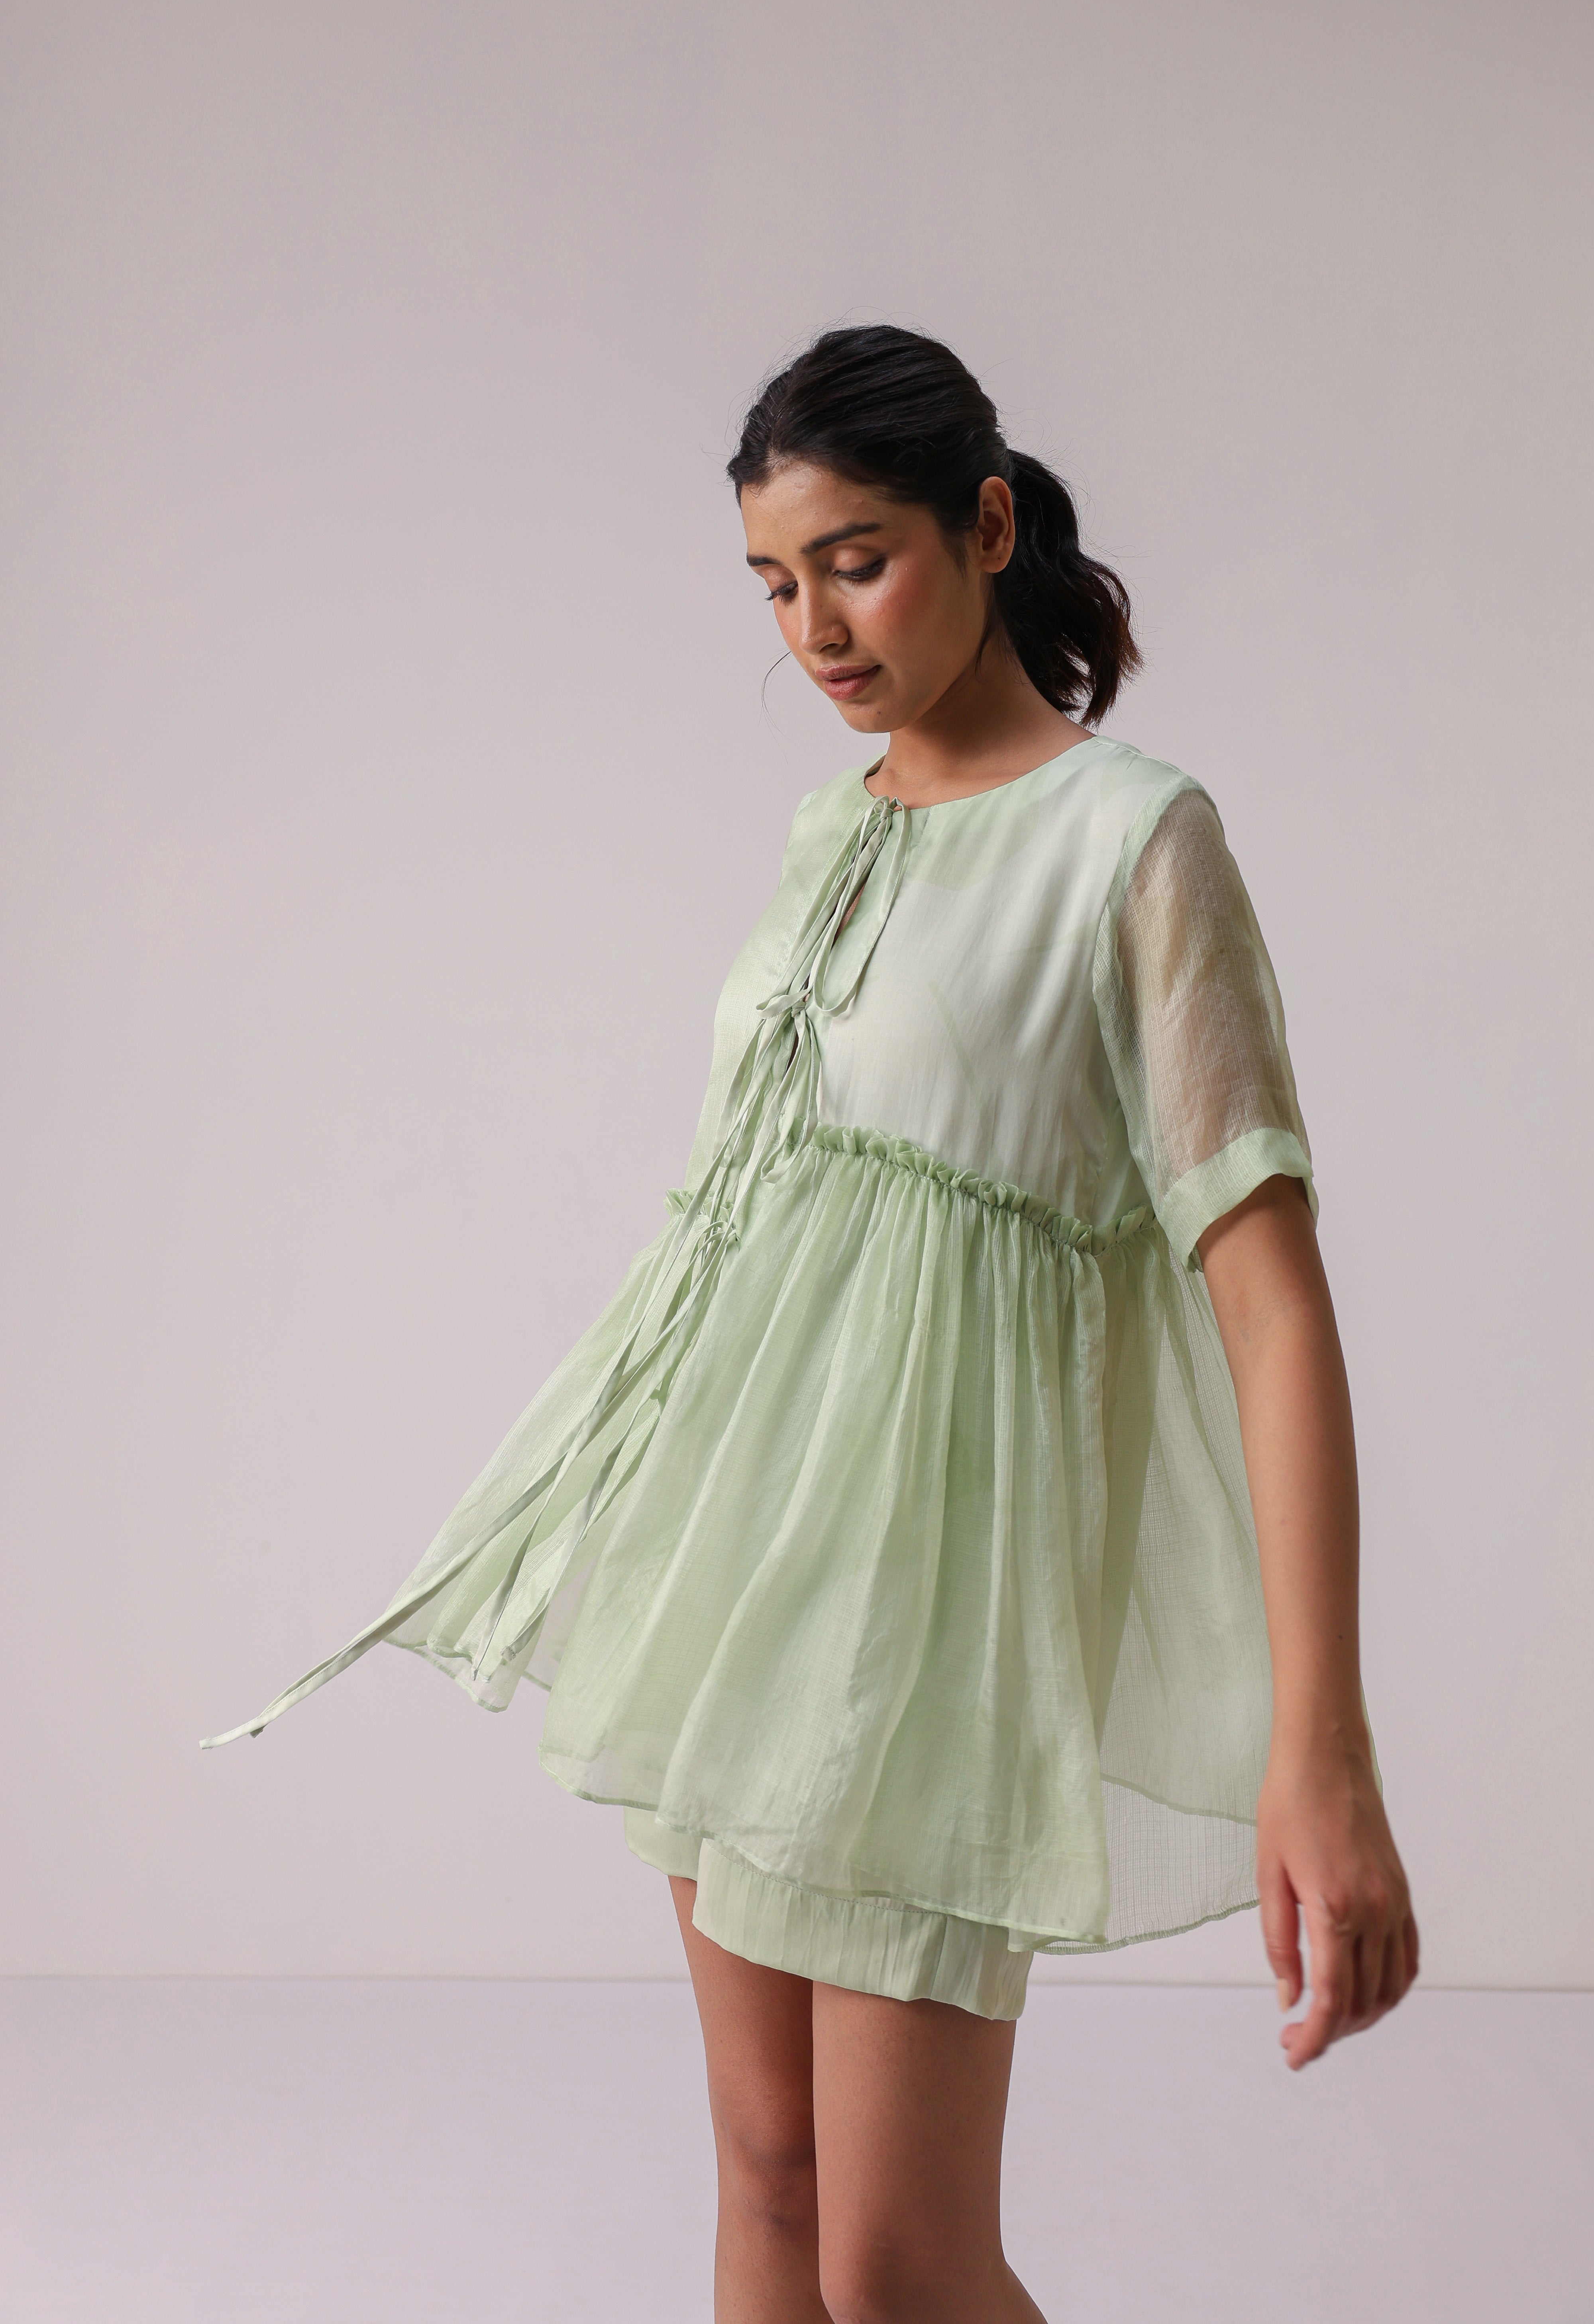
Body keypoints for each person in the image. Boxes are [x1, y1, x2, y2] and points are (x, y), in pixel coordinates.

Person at [205, 324, 1418, 2323]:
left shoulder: (1133, 840)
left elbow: (1271, 1305)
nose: (815, 629)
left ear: (988, 525)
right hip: (744, 1584)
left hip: (938, 1630)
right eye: (774, 585)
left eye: (856, 561)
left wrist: (1325, 1747)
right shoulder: (829, 832)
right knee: (771, 2181)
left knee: (899, 2263)